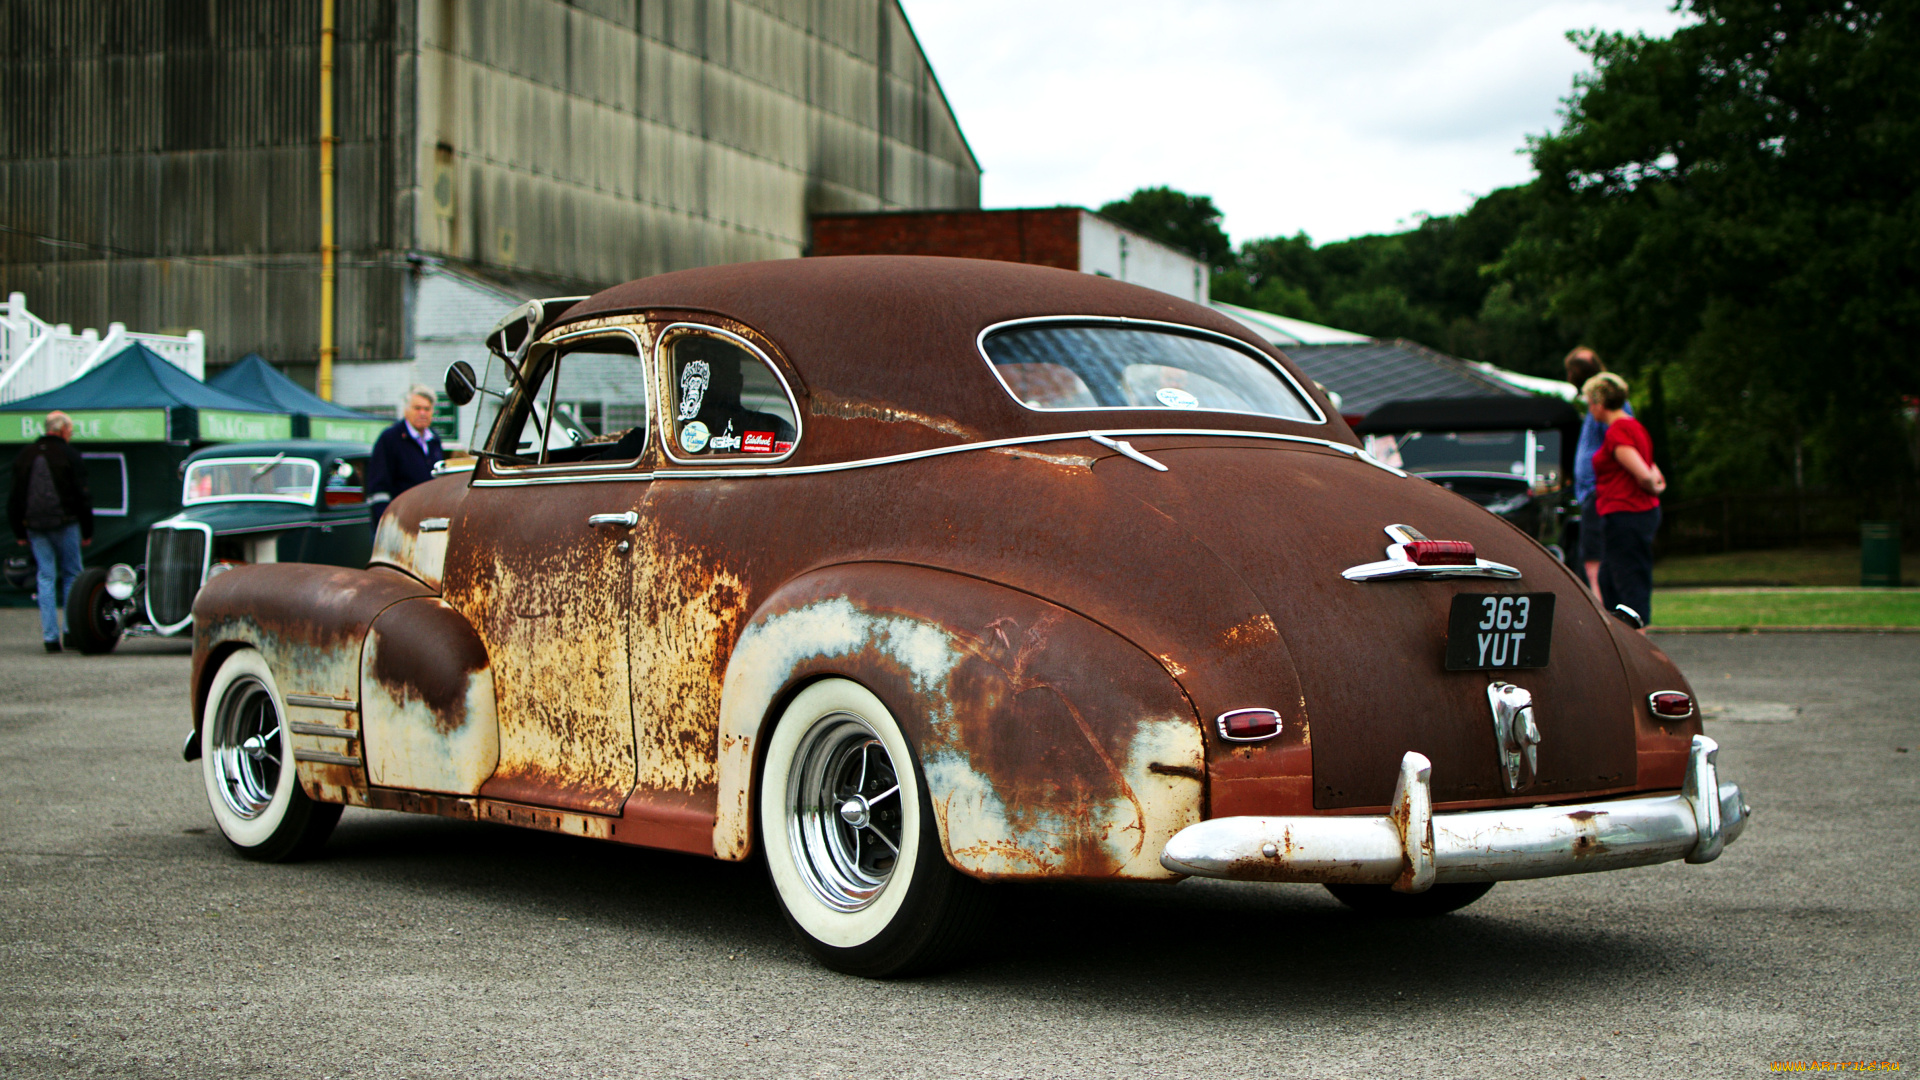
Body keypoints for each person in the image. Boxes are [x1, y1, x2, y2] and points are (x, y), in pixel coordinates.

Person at [1584, 372, 1665, 631]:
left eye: (1589, 402)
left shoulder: (1618, 431)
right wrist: (1655, 486)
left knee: (1629, 580)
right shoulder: (1635, 426)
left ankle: (1639, 643)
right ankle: (1622, 638)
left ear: (1598, 403)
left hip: (1626, 514)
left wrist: (1650, 486)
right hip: (1633, 513)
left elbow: (1643, 473)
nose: (1589, 408)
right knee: (1609, 579)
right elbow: (1653, 472)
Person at [8, 411, 93, 652]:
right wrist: (87, 530)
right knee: (72, 575)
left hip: (35, 525)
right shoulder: (69, 454)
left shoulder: (26, 454)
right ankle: (71, 632)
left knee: (45, 577)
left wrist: (19, 531)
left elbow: (14, 497)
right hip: (66, 523)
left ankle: (50, 637)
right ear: (63, 430)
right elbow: (82, 495)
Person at [1565, 346, 1627, 601]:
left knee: (1594, 561)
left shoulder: (1608, 406)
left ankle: (1603, 617)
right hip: (1593, 492)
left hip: (1598, 492)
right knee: (1593, 558)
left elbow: (1620, 444)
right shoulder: (1596, 404)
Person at [367, 385, 446, 524]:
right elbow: (378, 488)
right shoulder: (390, 439)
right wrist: (385, 522)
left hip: (430, 521)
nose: (422, 413)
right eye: (417, 408)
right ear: (406, 410)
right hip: (401, 522)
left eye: (427, 409)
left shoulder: (434, 440)